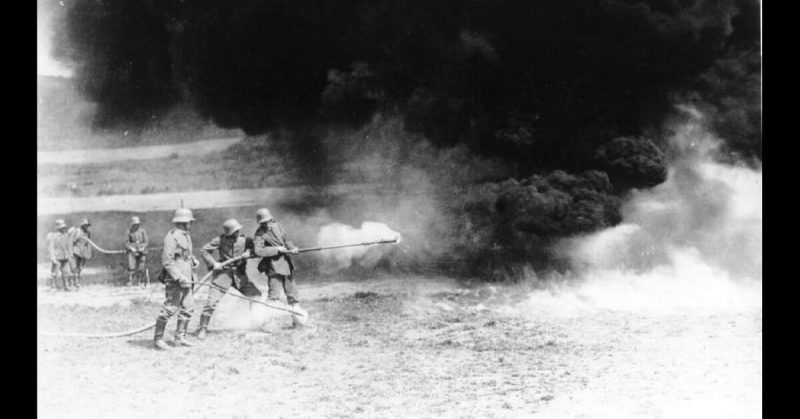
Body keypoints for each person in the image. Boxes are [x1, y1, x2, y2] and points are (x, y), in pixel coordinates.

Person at [195, 219, 261, 339]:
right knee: (211, 302)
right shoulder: (220, 240)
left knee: (256, 296)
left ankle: (255, 323)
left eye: (236, 232)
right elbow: (204, 250)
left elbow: (258, 249)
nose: (235, 234)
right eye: (233, 233)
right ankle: (203, 328)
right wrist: (213, 263)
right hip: (223, 274)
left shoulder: (246, 240)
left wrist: (249, 252)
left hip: (239, 275)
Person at [153, 208, 200, 350]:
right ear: (184, 222)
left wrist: (193, 260)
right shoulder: (172, 237)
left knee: (188, 307)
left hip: (188, 278)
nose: (190, 224)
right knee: (169, 308)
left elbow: (184, 254)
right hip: (176, 279)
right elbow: (167, 261)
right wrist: (179, 277)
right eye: (189, 222)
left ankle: (180, 338)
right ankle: (158, 339)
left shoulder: (186, 235)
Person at [252, 208, 304, 324]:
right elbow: (258, 251)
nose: (266, 224)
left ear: (271, 219)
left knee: (292, 295)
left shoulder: (278, 226)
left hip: (286, 264)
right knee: (273, 297)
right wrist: (276, 249)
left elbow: (286, 240)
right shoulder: (259, 234)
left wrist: (292, 248)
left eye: (267, 221)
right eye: (263, 222)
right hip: (273, 267)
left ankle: (298, 321)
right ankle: (267, 324)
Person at [46, 219, 73, 291]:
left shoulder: (66, 235)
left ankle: (66, 286)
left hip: (65, 256)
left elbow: (68, 246)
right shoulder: (53, 236)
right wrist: (53, 257)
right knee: (55, 272)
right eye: (62, 227)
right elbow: (51, 247)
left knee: (66, 272)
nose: (64, 229)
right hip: (57, 257)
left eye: (64, 227)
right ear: (58, 228)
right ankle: (53, 286)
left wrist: (70, 255)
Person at [67, 218, 93, 290]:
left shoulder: (88, 233)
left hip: (83, 252)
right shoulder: (76, 231)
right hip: (75, 251)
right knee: (74, 268)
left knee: (80, 268)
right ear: (82, 225)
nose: (86, 226)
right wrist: (70, 253)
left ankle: (77, 282)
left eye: (87, 225)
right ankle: (72, 283)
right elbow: (70, 242)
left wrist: (88, 253)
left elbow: (88, 244)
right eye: (85, 225)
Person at [124, 216, 149, 286]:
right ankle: (130, 280)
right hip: (132, 251)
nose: (136, 226)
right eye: (135, 224)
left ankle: (139, 280)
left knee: (141, 265)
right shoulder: (129, 231)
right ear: (132, 224)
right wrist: (130, 248)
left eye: (137, 224)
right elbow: (126, 243)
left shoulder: (142, 231)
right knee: (131, 265)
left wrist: (143, 246)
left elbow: (146, 241)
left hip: (141, 250)